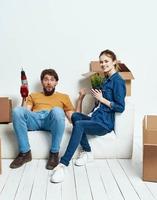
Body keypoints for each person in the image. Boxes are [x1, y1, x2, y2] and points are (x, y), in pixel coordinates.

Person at [51, 49, 126, 183]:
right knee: (75, 117)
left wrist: (102, 99)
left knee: (79, 125)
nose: (103, 64)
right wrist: (96, 99)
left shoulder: (118, 81)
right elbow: (101, 103)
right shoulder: (106, 80)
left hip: (104, 124)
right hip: (96, 118)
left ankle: (63, 164)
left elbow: (120, 107)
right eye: (101, 62)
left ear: (114, 62)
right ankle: (88, 152)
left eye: (106, 61)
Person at [10, 69, 75, 170]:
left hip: (51, 119)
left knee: (57, 110)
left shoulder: (64, 97)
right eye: (46, 79)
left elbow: (72, 118)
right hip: (35, 119)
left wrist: (80, 100)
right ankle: (25, 153)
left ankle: (54, 153)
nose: (49, 82)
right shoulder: (33, 95)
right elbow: (24, 113)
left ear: (56, 82)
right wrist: (24, 98)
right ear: (42, 82)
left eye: (52, 80)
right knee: (17, 110)